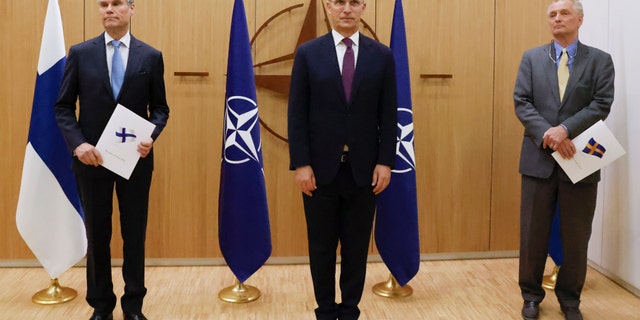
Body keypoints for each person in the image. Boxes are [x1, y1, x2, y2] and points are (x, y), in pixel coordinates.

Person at [54, 0, 169, 319]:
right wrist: (78, 145)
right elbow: (63, 107)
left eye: (116, 3)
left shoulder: (151, 56)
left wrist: (152, 135)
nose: (108, 9)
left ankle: (133, 306)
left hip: (135, 161)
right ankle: (101, 306)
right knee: (97, 234)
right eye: (103, 4)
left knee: (134, 234)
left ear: (132, 9)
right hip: (91, 162)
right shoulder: (80, 53)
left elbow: (161, 108)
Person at [287, 0, 397, 319]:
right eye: (339, 2)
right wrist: (302, 163)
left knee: (356, 248)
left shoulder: (382, 55)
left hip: (365, 171)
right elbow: (297, 114)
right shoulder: (309, 54)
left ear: (363, 7)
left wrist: (385, 161)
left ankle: (349, 310)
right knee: (321, 248)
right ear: (329, 8)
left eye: (353, 2)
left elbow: (389, 114)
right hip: (319, 171)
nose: (346, 9)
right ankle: (324, 310)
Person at [514, 1, 614, 319]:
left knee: (576, 234)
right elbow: (522, 101)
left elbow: (601, 103)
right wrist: (550, 133)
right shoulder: (531, 58)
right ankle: (531, 295)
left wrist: (566, 129)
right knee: (532, 233)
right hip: (538, 159)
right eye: (552, 15)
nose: (557, 19)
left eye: (564, 13)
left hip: (581, 160)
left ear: (580, 20)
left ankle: (570, 299)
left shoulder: (600, 60)